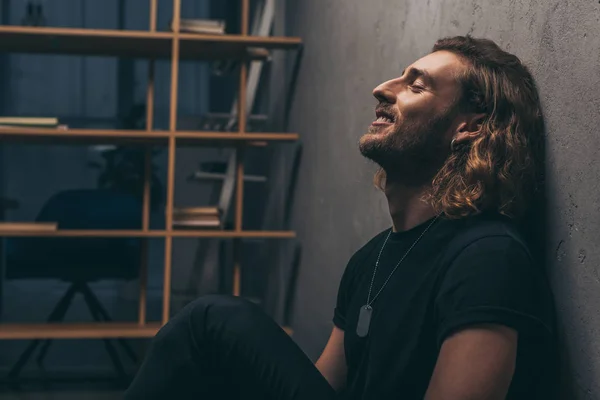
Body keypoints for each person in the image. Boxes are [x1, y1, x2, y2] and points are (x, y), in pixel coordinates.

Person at [125, 35, 557, 400]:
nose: (382, 89)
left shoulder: (487, 256)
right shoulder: (370, 259)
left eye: (416, 86)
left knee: (214, 322)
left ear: (469, 128)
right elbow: (323, 388)